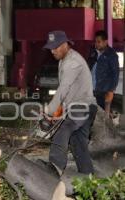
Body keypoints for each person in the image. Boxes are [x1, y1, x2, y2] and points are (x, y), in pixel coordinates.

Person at [43, 31, 98, 175]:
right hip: (78, 106)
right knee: (78, 143)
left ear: (65, 44)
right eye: (51, 48)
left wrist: (49, 110)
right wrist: (57, 113)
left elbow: (63, 89)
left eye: (55, 47)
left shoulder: (72, 62)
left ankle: (55, 168)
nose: (52, 51)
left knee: (64, 128)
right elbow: (67, 95)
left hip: (83, 106)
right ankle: (89, 178)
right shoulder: (64, 60)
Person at [88, 30, 119, 116]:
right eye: (95, 41)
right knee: (91, 114)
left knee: (102, 116)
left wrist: (111, 91)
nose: (96, 44)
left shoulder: (111, 55)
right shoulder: (93, 52)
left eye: (99, 42)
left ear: (105, 42)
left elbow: (115, 74)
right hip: (91, 89)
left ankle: (108, 126)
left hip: (103, 90)